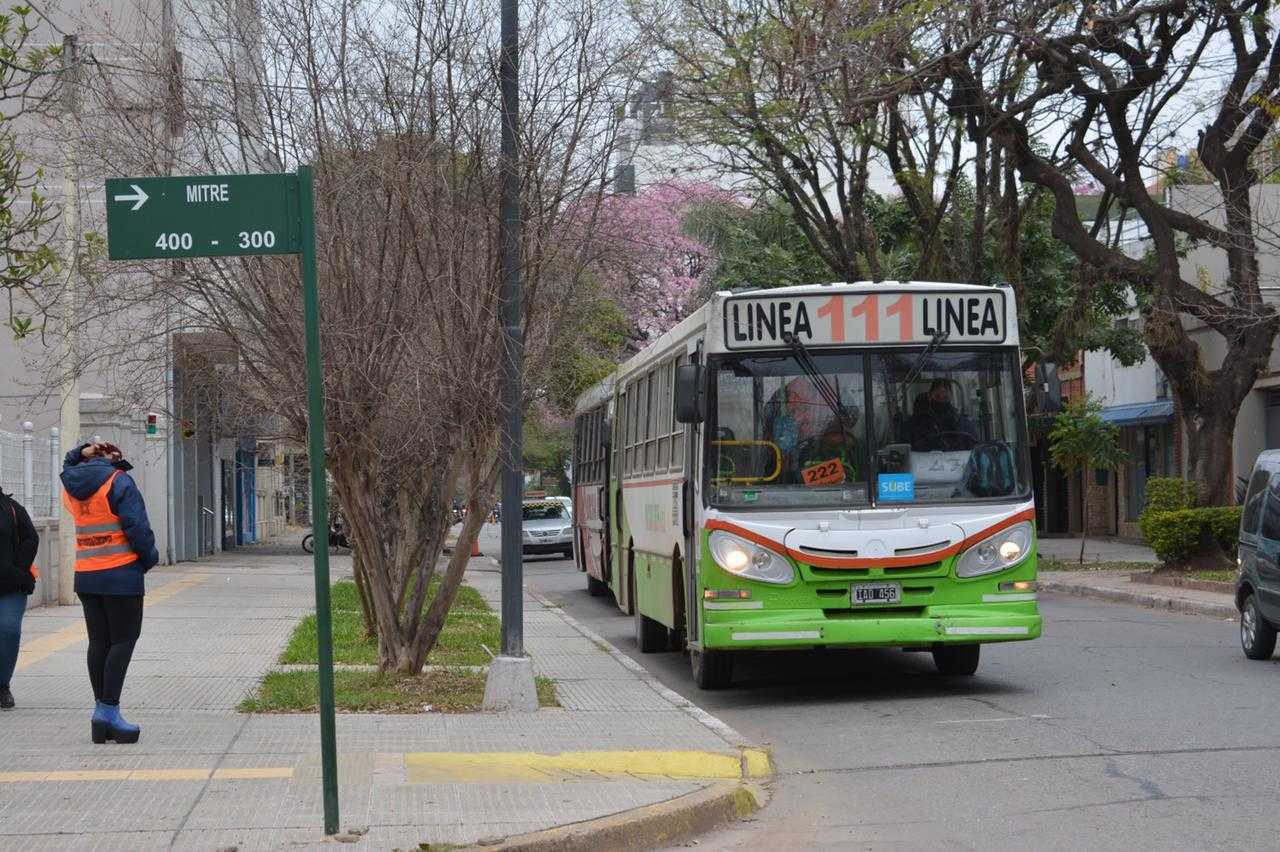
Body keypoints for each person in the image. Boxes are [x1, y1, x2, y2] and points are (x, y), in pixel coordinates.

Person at [62, 441, 159, 744]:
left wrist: (83, 451)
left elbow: (67, 464)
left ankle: (101, 712)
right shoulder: (119, 482)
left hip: (88, 576)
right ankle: (108, 710)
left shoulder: (72, 484)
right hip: (121, 574)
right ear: (112, 459)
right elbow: (137, 527)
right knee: (123, 640)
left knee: (99, 642)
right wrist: (148, 559)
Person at [0, 488, 39, 710]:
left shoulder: (12, 508)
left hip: (11, 586)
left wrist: (18, 569)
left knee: (8, 630)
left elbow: (31, 538)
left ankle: (2, 685)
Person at [910, 379, 975, 451]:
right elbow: (913, 447)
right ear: (929, 396)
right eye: (937, 396)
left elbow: (974, 444)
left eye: (945, 397)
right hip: (928, 460)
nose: (941, 400)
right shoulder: (919, 422)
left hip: (960, 460)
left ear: (951, 397)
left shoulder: (961, 421)